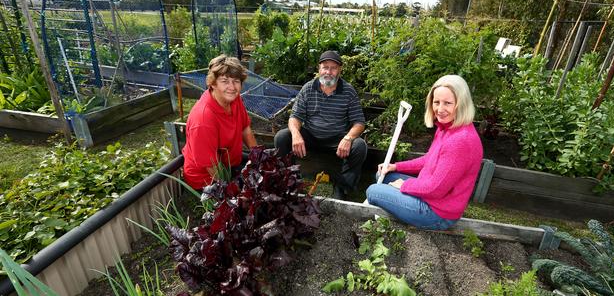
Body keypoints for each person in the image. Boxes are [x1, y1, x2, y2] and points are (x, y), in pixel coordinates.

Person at [366, 75, 483, 230]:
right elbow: (429, 159)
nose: (440, 109)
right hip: (428, 195)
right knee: (383, 175)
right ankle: (399, 211)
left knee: (373, 191)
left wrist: (404, 185)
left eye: (447, 103)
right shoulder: (446, 128)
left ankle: (398, 218)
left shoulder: (460, 141)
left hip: (436, 212)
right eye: (436, 102)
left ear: (461, 104)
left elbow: (435, 189)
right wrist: (395, 167)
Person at [274, 50, 367, 200]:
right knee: (282, 137)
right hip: (311, 136)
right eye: (325, 67)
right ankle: (290, 180)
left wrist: (348, 138)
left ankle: (343, 187)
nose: (328, 72)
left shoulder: (349, 91)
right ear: (319, 69)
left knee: (360, 146)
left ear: (339, 70)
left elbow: (359, 122)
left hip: (337, 140)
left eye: (333, 68)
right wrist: (297, 135)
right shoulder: (308, 88)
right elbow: (295, 117)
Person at [182, 55, 257, 190]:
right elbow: (210, 166)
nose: (232, 87)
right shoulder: (203, 118)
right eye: (224, 81)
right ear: (213, 83)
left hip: (229, 164)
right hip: (206, 179)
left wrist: (259, 158)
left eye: (236, 81)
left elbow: (245, 128)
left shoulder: (234, 99)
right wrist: (229, 191)